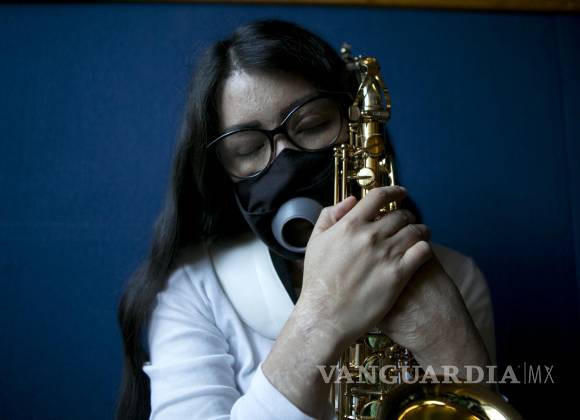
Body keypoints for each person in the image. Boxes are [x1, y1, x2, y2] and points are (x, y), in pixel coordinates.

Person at [117, 19, 496, 420]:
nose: (286, 164)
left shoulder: (457, 276)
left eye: (312, 125)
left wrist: (448, 344)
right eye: (247, 149)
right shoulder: (193, 289)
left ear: (356, 126)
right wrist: (322, 315)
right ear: (220, 171)